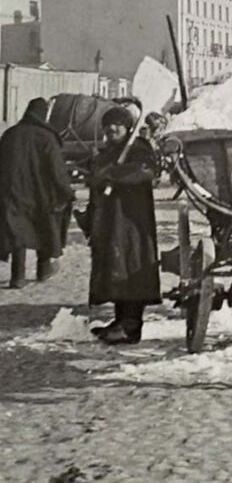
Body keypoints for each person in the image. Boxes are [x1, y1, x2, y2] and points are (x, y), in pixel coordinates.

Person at [85, 105, 161, 344]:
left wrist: (113, 174)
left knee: (131, 269)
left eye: (117, 124)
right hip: (111, 223)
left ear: (128, 127)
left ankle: (131, 327)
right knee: (115, 269)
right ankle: (120, 320)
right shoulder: (109, 152)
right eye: (108, 124)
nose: (112, 128)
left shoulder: (138, 149)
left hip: (131, 223)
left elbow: (145, 171)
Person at [0, 98, 76, 289]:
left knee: (18, 233)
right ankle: (43, 270)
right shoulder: (47, 137)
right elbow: (57, 170)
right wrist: (66, 191)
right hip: (41, 194)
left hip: (13, 192)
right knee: (44, 228)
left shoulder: (10, 134)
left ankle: (17, 276)